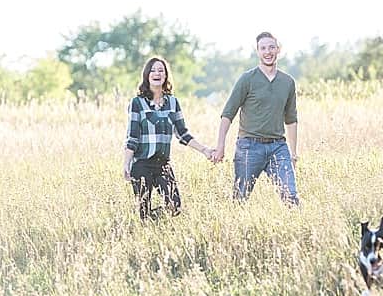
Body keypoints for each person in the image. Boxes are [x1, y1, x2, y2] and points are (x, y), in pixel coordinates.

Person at [210, 32, 299, 205]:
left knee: (291, 195)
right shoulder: (247, 79)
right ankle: (235, 231)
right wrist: (220, 146)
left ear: (278, 49)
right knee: (240, 199)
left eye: (271, 47)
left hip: (278, 147)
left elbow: (291, 118)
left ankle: (300, 230)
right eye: (263, 48)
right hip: (249, 147)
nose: (268, 52)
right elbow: (228, 113)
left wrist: (293, 154)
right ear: (258, 51)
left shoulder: (288, 82)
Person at [123, 56, 213, 221]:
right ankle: (147, 224)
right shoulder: (137, 103)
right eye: (153, 70)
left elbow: (183, 134)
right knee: (143, 211)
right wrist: (126, 163)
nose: (157, 73)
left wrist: (205, 150)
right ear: (147, 75)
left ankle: (156, 221)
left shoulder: (173, 102)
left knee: (175, 207)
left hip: (163, 164)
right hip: (142, 163)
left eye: (161, 70)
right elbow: (132, 137)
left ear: (165, 76)